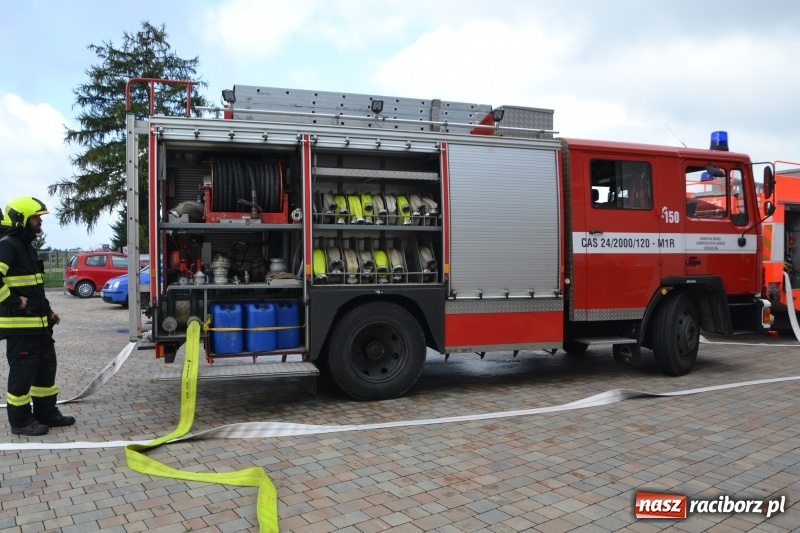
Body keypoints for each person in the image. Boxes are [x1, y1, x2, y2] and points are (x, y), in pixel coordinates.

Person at [0, 197, 75, 436]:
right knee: (23, 375)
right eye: (35, 217)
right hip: (20, 329)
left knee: (45, 370)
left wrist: (47, 311)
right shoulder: (8, 245)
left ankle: (46, 413)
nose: (40, 221)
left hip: (39, 326)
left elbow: (33, 287)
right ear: (21, 218)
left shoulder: (27, 247)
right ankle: (20, 421)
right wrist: (14, 302)